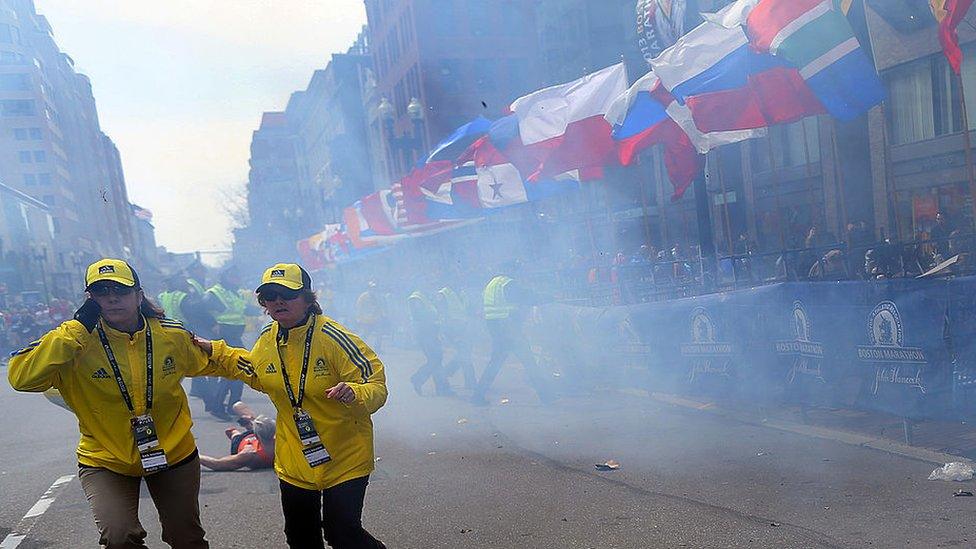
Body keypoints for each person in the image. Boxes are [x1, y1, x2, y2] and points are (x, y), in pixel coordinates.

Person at [6, 258, 237, 549]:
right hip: (105, 460)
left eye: (121, 289)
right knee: (119, 537)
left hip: (173, 454)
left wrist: (270, 374)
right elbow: (21, 378)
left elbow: (215, 362)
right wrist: (76, 328)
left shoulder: (170, 335)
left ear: (139, 295)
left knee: (186, 538)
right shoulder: (73, 341)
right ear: (90, 299)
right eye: (102, 291)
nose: (112, 297)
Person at [195, 263, 387, 549]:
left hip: (345, 455)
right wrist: (215, 350)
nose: (278, 301)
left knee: (341, 533)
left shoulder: (334, 337)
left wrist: (356, 392)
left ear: (309, 298)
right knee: (300, 537)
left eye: (288, 293)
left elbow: (376, 386)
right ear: (263, 303)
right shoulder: (266, 339)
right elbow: (257, 373)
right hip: (294, 455)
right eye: (270, 295)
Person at [472, 265, 554, 406]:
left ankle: (477, 396)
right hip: (508, 327)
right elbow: (527, 297)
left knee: (495, 363)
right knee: (529, 361)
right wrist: (549, 297)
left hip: (496, 327)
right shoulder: (508, 284)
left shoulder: (491, 284)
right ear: (511, 271)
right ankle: (546, 397)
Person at [205, 268, 248, 419]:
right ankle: (217, 406)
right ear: (225, 277)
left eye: (238, 275)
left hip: (235, 335)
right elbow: (200, 310)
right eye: (233, 275)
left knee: (239, 369)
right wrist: (211, 324)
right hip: (224, 335)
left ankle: (233, 405)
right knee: (232, 371)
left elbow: (243, 309)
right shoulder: (215, 293)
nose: (237, 278)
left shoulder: (235, 292)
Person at [200, 402, 275, 471]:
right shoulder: (281, 444)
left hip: (241, 441)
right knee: (237, 406)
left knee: (234, 433)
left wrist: (196, 455)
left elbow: (218, 464)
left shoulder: (249, 454)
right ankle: (249, 422)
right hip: (254, 437)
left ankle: (237, 430)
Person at [407, 288, 452, 396]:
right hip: (426, 335)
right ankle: (418, 378)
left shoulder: (424, 299)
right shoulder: (416, 297)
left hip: (430, 334)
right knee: (435, 360)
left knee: (437, 361)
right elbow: (420, 316)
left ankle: (442, 388)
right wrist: (434, 322)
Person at [434, 284, 476, 391]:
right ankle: (470, 382)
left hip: (463, 328)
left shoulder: (461, 293)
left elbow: (465, 310)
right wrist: (451, 333)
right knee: (465, 355)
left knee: (464, 354)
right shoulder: (443, 294)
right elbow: (442, 314)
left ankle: (447, 371)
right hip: (453, 330)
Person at [355, 281, 386, 352]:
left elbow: (380, 307)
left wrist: (382, 316)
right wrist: (359, 318)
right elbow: (358, 307)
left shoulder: (378, 297)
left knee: (379, 334)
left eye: (375, 288)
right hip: (366, 320)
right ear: (368, 288)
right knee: (364, 334)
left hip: (376, 319)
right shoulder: (363, 296)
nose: (373, 290)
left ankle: (377, 348)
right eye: (372, 288)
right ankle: (358, 347)